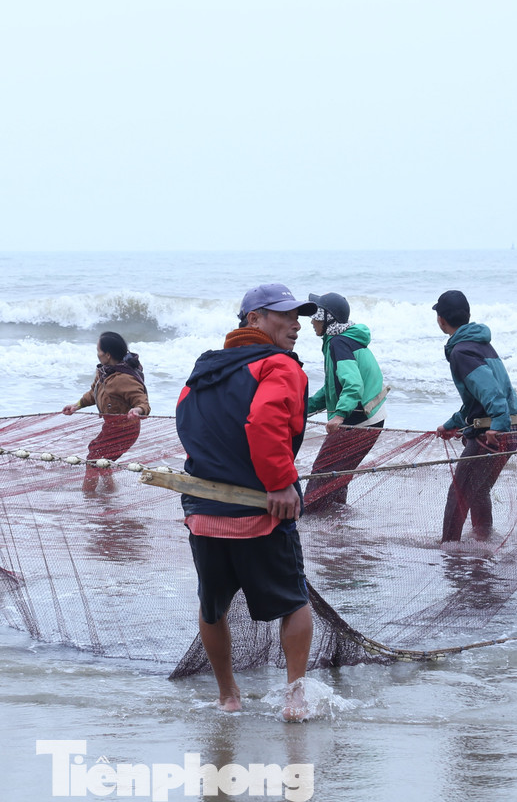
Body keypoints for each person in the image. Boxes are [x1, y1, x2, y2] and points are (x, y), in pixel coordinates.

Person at [175, 283, 316, 721]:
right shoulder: (279, 366)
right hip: (262, 510)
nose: (296, 324)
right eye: (284, 315)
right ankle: (295, 699)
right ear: (253, 320)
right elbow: (264, 422)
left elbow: (186, 423)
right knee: (295, 602)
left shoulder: (203, 369)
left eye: (299, 316)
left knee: (212, 606)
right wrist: (278, 483)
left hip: (203, 510)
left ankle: (228, 697)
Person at [433, 290, 517, 542]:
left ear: (441, 319)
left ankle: (449, 550)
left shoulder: (462, 352)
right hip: (512, 429)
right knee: (479, 490)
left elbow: (492, 393)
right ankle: (483, 543)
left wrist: (499, 424)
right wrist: (452, 425)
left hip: (494, 433)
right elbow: (478, 399)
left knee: (459, 493)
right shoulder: (480, 344)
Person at [302, 291, 387, 512]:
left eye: (316, 316)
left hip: (359, 421)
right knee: (335, 477)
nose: (312, 322)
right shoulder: (344, 339)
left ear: (328, 317)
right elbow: (333, 387)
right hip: (369, 419)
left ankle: (320, 527)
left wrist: (339, 415)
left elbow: (353, 385)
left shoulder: (338, 343)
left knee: (320, 479)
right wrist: (305, 408)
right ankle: (338, 530)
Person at [62, 331, 150, 492]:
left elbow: (142, 402)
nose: (97, 354)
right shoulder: (105, 371)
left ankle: (88, 496)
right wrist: (76, 406)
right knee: (99, 457)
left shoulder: (124, 378)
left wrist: (137, 410)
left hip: (126, 429)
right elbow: (94, 393)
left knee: (94, 460)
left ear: (108, 355)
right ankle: (110, 492)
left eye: (99, 351)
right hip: (111, 426)